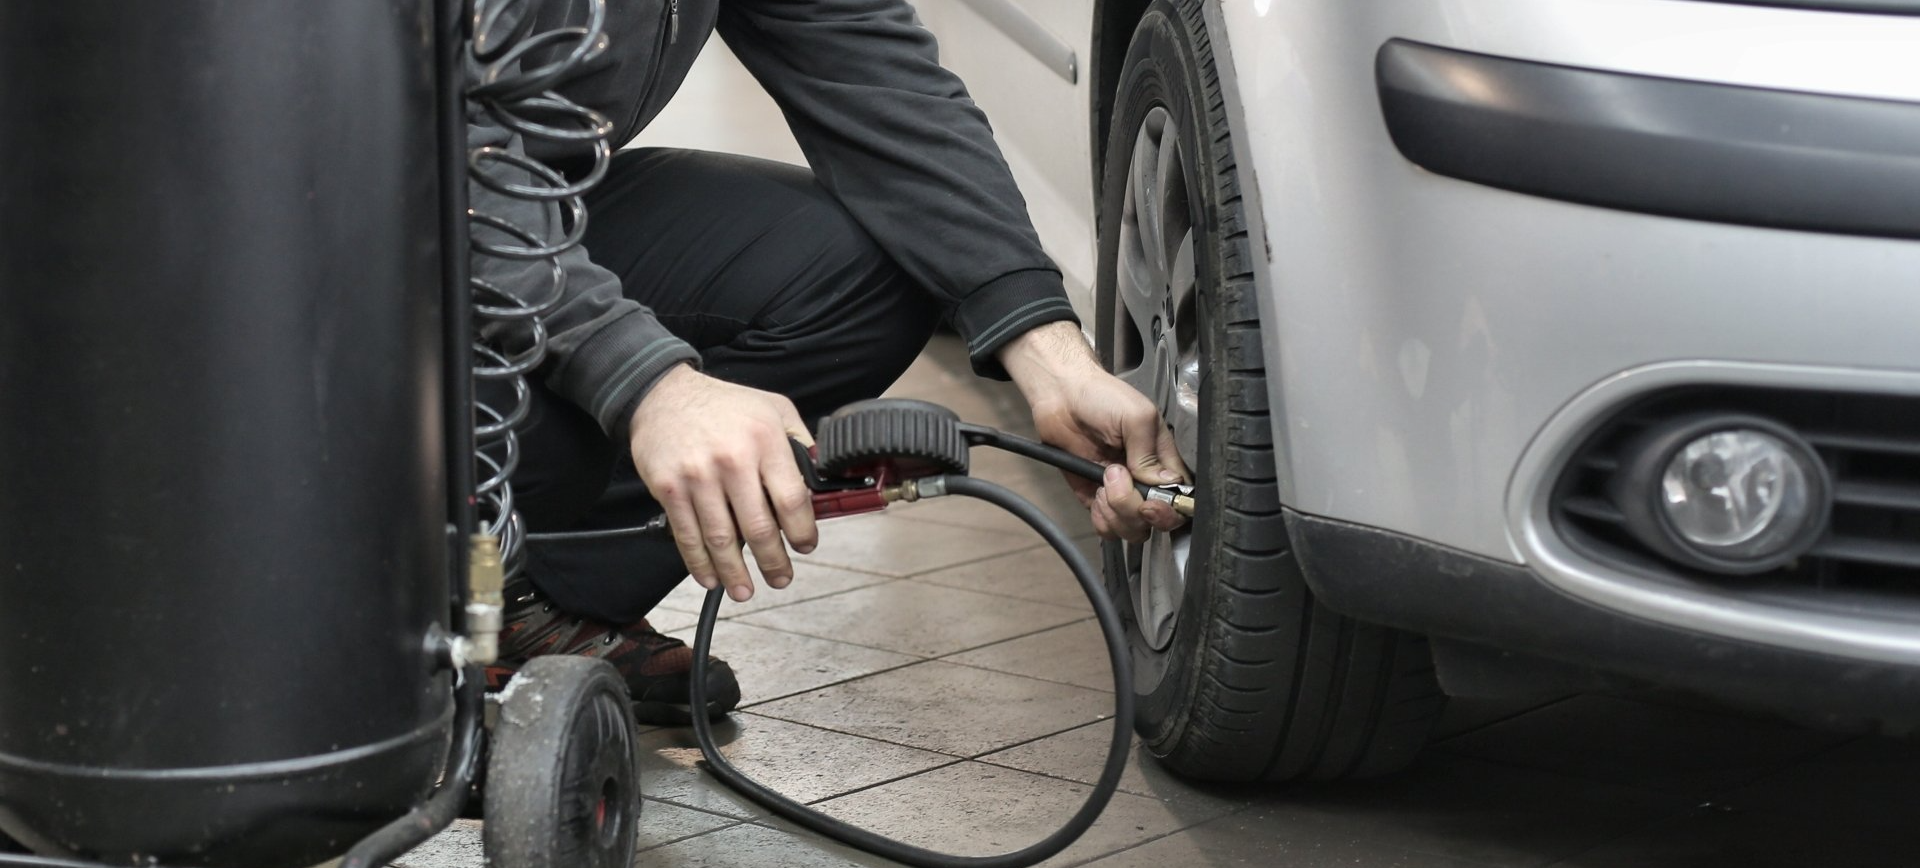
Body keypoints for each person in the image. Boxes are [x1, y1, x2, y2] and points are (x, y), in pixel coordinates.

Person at [475, 0, 1189, 724]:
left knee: (864, 272)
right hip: (384, 240)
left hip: (519, 199)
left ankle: (527, 593)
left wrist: (1045, 348)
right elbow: (406, 155)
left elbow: (872, 71)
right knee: (541, 423)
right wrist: (647, 383)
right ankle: (403, 584)